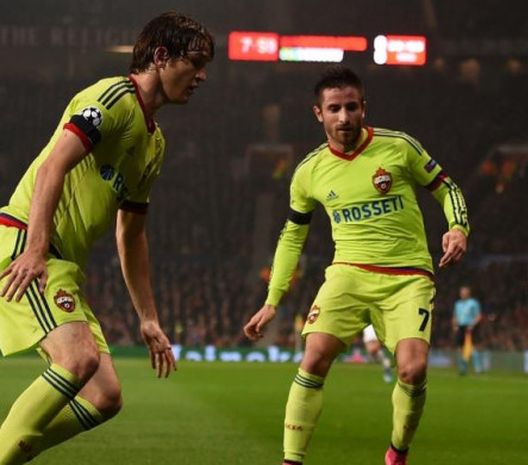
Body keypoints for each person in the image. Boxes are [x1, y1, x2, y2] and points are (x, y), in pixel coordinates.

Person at [0, 12, 213, 464]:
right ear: (160, 56)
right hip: (25, 242)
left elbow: (132, 234)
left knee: (106, 396)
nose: (201, 76)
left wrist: (148, 317)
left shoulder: (155, 145)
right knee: (77, 361)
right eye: (194, 63)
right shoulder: (113, 97)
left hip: (61, 263)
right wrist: (36, 250)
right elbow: (53, 165)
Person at [243, 66, 469, 465]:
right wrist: (272, 299)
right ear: (319, 113)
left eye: (351, 106)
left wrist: (457, 227)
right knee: (313, 356)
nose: (344, 117)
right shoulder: (308, 172)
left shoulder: (399, 147)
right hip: (347, 273)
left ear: (364, 107)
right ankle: (291, 460)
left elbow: (447, 188)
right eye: (334, 108)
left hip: (408, 277)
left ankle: (397, 452)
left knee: (413, 370)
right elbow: (292, 235)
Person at [452, 285, 482, 375]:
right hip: (460, 327)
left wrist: (473, 324)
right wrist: (454, 325)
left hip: (470, 327)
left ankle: (478, 369)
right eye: (461, 293)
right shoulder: (457, 304)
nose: (462, 294)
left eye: (464, 293)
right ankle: (463, 369)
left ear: (468, 294)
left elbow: (478, 316)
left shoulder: (473, 303)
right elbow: (455, 316)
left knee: (473, 347)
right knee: (460, 348)